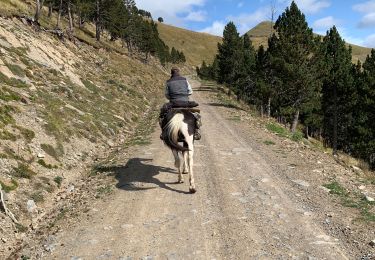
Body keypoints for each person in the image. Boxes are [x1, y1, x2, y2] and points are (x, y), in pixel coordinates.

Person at [160, 67, 201, 140]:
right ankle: (196, 131)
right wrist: (184, 96)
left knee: (162, 114)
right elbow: (190, 91)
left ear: (171, 73)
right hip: (185, 103)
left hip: (173, 103)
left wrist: (172, 98)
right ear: (179, 72)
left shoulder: (168, 82)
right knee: (196, 114)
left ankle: (163, 132)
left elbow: (166, 95)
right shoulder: (184, 80)